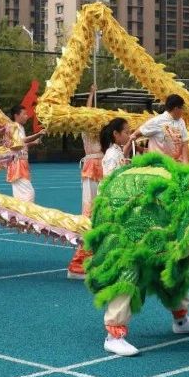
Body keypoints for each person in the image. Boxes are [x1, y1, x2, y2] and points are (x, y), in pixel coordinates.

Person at [95, 120, 189, 357]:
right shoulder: (112, 156)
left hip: (154, 218)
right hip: (127, 223)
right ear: (115, 134)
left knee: (172, 264)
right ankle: (114, 334)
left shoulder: (126, 153)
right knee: (129, 269)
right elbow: (112, 187)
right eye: (125, 131)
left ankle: (181, 318)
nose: (129, 134)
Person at [69, 86, 104, 279]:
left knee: (100, 207)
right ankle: (83, 254)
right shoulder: (86, 129)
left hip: (102, 167)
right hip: (91, 166)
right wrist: (90, 94)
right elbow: (87, 112)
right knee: (89, 208)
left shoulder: (100, 131)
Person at [132, 94, 189, 162]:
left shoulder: (181, 122)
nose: (183, 111)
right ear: (176, 108)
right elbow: (135, 134)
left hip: (176, 164)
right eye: (182, 108)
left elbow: (184, 143)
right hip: (158, 164)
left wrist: (186, 165)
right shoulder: (157, 121)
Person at [5, 104, 44, 202]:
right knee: (28, 195)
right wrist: (37, 135)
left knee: (21, 197)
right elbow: (20, 141)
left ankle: (19, 216)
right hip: (17, 164)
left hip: (22, 164)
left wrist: (33, 142)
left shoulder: (20, 128)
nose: (27, 116)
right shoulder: (13, 126)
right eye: (24, 114)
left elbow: (21, 144)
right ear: (16, 115)